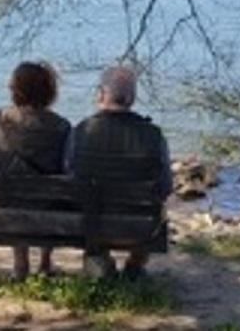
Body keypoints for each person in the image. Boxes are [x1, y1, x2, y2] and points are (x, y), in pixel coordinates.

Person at [0, 61, 71, 280]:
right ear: (50, 92)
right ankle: (45, 262)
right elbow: (69, 173)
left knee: (11, 194)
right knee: (55, 195)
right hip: (47, 216)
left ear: (14, 90)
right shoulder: (61, 127)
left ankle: (20, 263)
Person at [66, 65, 172, 280]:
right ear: (132, 98)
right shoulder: (153, 135)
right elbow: (165, 186)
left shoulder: (81, 131)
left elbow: (68, 173)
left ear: (101, 94)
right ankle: (135, 264)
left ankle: (99, 256)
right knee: (154, 206)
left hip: (89, 221)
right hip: (141, 225)